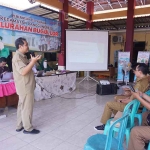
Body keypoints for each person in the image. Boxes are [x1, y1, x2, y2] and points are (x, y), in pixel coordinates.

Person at [94, 63, 149, 131]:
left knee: (109, 104)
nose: (134, 71)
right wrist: (129, 92)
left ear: (140, 72)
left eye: (135, 70)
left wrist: (124, 100)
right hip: (136, 103)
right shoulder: (145, 79)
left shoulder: (141, 84)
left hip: (133, 106)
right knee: (117, 97)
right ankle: (117, 117)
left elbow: (134, 98)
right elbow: (136, 93)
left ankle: (105, 125)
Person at [12, 37, 41, 134]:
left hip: (25, 86)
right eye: (26, 45)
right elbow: (23, 72)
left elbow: (26, 68)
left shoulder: (22, 56)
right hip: (25, 87)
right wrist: (32, 62)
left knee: (22, 107)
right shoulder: (17, 57)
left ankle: (19, 126)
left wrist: (31, 62)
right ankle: (28, 128)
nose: (28, 47)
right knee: (27, 107)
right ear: (20, 46)